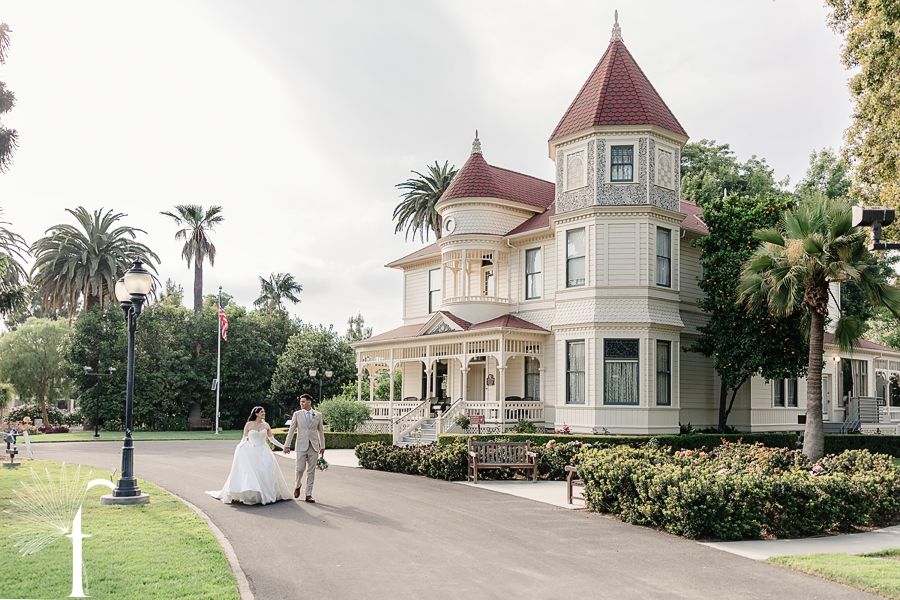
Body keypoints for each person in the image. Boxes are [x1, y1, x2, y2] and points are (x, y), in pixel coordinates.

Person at [206, 407, 291, 505]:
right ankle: (254, 494)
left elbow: (271, 439)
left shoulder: (266, 425)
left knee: (267, 472)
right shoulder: (249, 425)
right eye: (262, 412)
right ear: (256, 413)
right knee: (252, 473)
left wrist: (284, 447)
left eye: (264, 411)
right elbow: (244, 439)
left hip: (264, 451)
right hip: (251, 451)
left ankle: (267, 494)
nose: (264, 413)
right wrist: (240, 448)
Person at [283, 394, 325, 503]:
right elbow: (291, 431)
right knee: (300, 469)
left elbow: (321, 431)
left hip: (314, 446)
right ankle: (297, 485)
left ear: (309, 402)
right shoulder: (297, 414)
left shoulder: (318, 415)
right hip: (301, 446)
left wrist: (322, 446)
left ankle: (308, 494)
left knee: (311, 471)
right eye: (300, 402)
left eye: (303, 401)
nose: (301, 403)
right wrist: (287, 445)